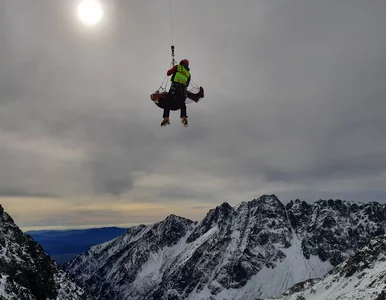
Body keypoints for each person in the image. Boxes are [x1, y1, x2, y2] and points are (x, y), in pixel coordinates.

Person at [161, 59, 191, 127]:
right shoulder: (188, 73)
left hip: (175, 88)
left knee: (168, 101)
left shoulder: (178, 67)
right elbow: (187, 84)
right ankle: (184, 118)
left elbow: (168, 73)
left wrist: (174, 71)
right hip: (183, 91)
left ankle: (166, 118)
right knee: (182, 104)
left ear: (181, 63)